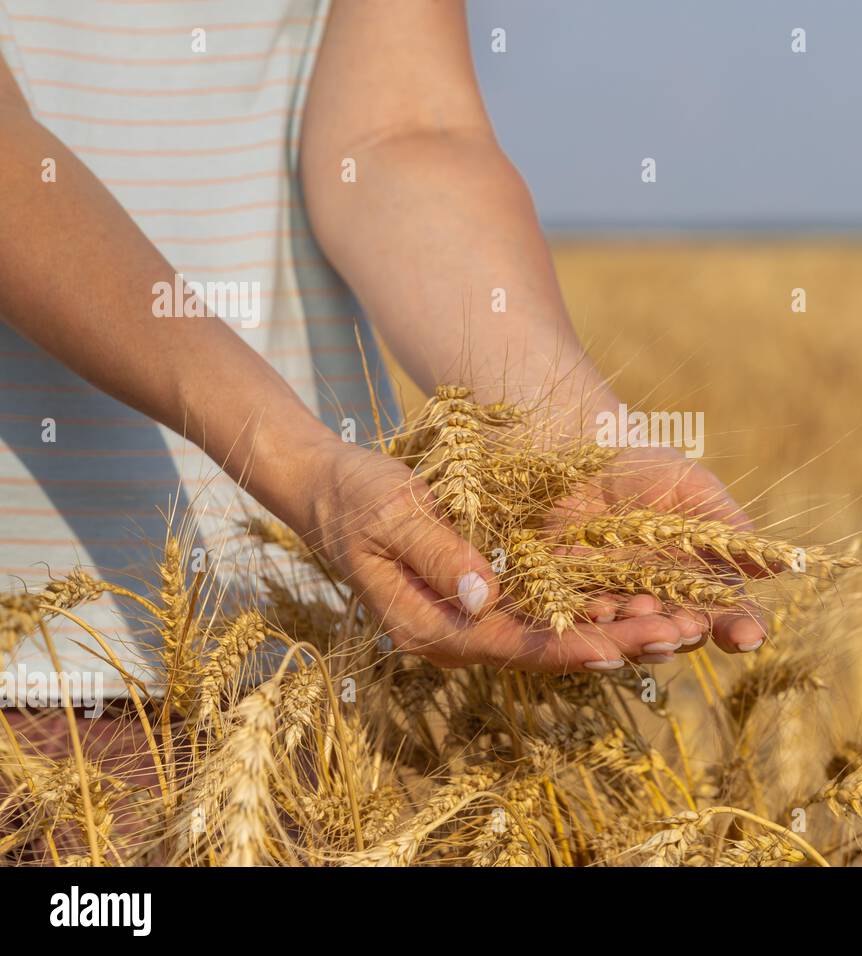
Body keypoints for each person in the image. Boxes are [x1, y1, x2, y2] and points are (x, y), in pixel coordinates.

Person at [0, 0, 765, 696]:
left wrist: (571, 430)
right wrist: (299, 463)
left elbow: (397, 129)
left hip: (299, 652)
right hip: (25, 644)